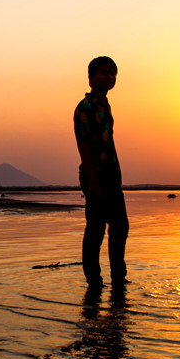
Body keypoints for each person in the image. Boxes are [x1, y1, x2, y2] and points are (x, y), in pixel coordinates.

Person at [74, 56, 128, 286]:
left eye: (113, 73)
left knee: (120, 226)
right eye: (105, 73)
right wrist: (92, 182)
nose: (110, 77)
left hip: (111, 173)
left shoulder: (105, 106)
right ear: (91, 77)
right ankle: (94, 281)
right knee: (95, 229)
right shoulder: (84, 107)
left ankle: (118, 278)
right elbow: (83, 145)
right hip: (95, 175)